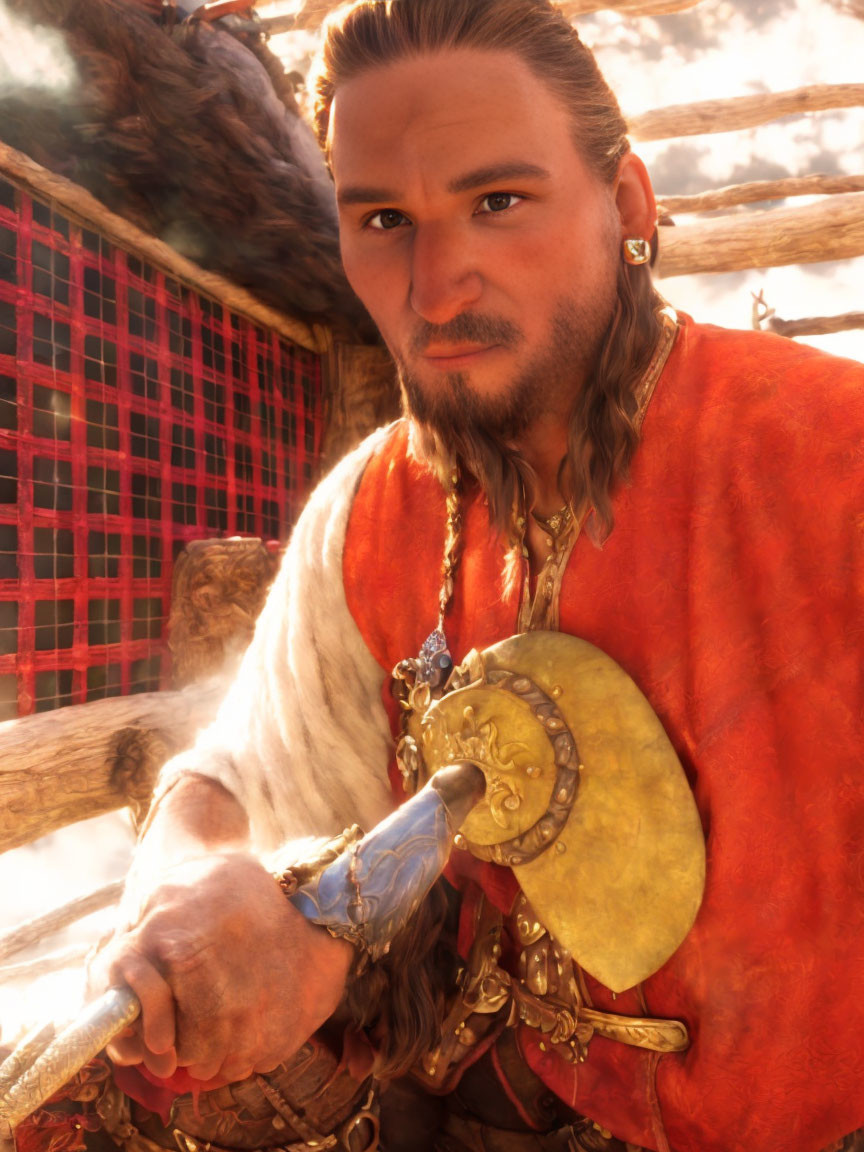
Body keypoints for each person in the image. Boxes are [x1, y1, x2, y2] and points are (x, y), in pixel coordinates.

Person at [89, 2, 864, 1150]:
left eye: (497, 202)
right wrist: (185, 874)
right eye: (385, 219)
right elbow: (246, 776)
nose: (438, 284)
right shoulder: (371, 511)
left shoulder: (829, 454)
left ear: (630, 205)